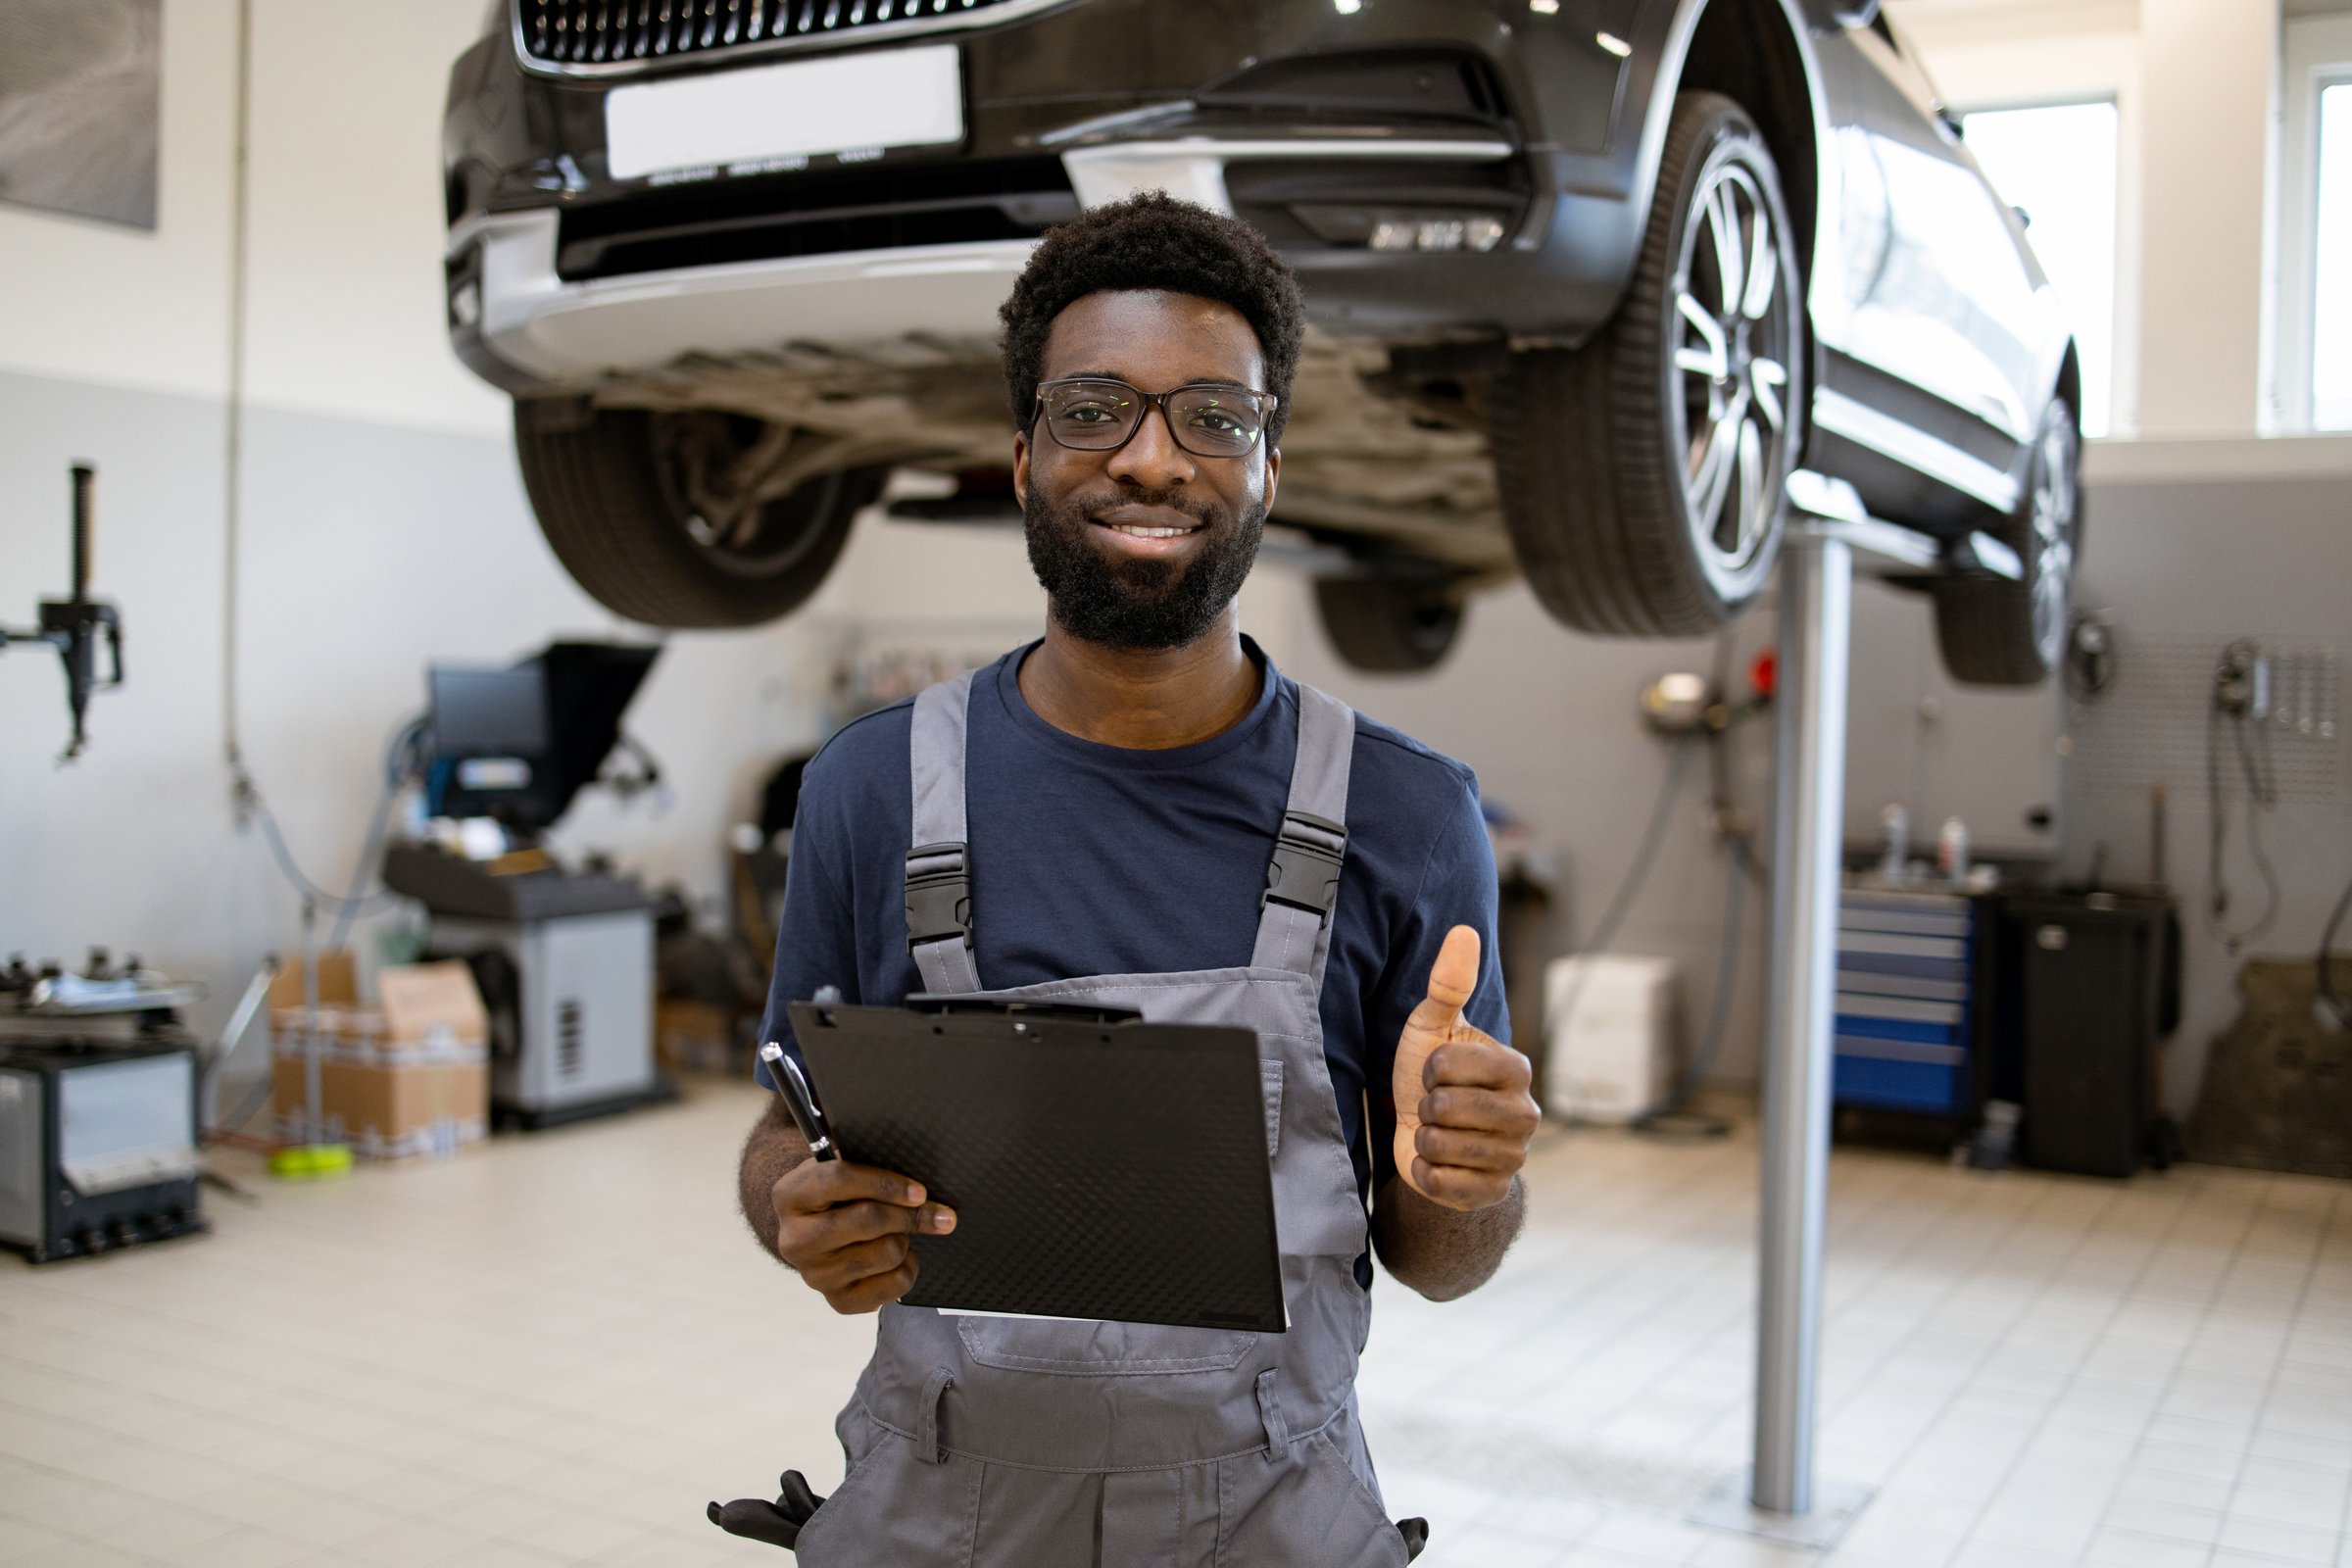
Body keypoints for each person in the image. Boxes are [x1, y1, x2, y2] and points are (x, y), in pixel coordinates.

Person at [725, 192, 1541, 1566]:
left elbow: (1440, 1260)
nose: (1154, 460)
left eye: (1214, 417)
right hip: (941, 1514)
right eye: (1095, 405)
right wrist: (797, 1216)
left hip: (1274, 1516)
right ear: (1022, 453)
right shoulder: (870, 790)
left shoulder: (1408, 816)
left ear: (1270, 464)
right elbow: (778, 1136)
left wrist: (1465, 1182)